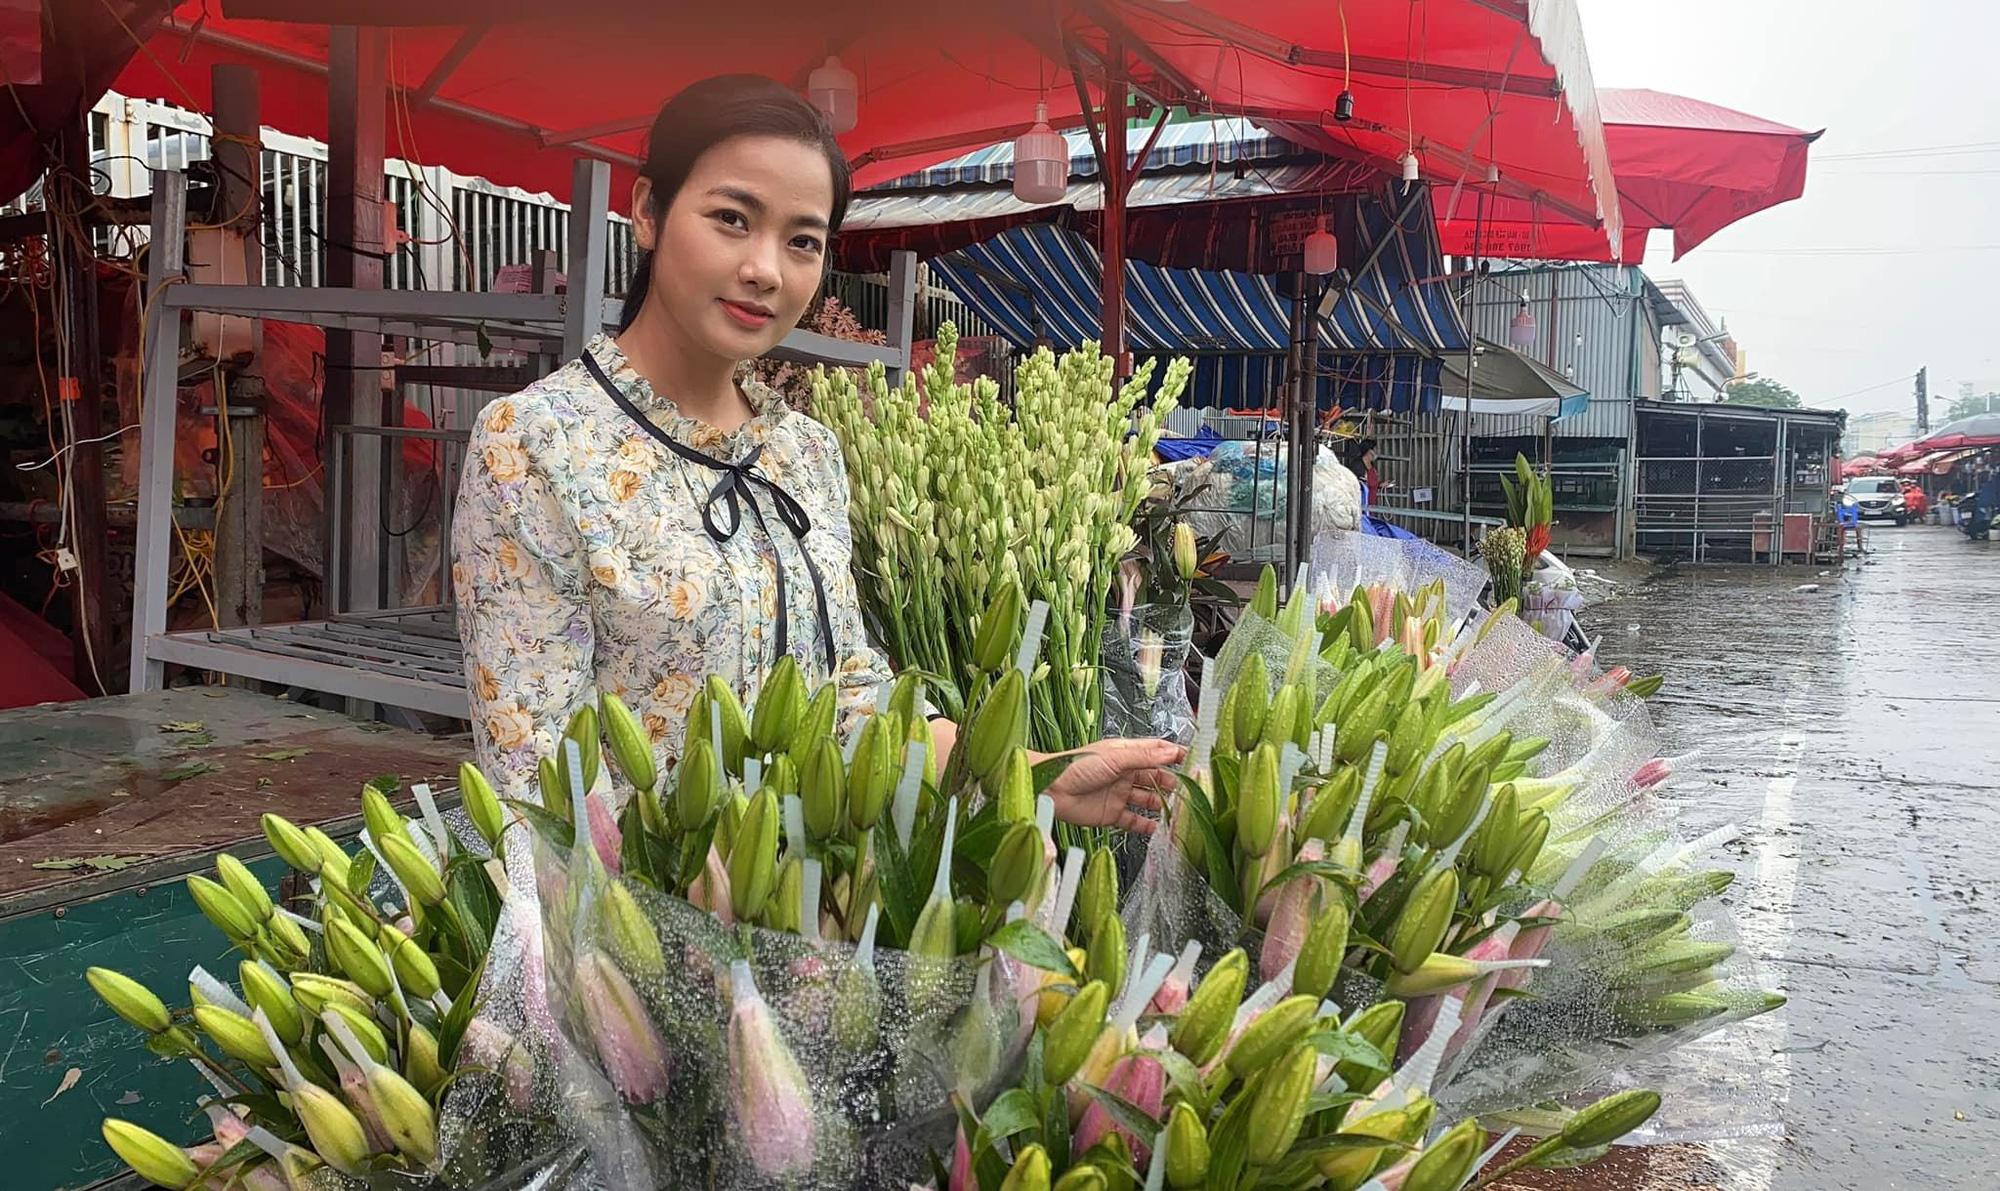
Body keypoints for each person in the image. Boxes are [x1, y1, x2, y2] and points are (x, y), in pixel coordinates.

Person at [453, 75, 1181, 835]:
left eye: (802, 240)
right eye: (732, 218)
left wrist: (1034, 776)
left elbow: (853, 703)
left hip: (818, 913)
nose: (767, 268)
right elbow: (537, 778)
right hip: (623, 929)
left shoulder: (804, 453)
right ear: (647, 212)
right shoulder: (535, 446)